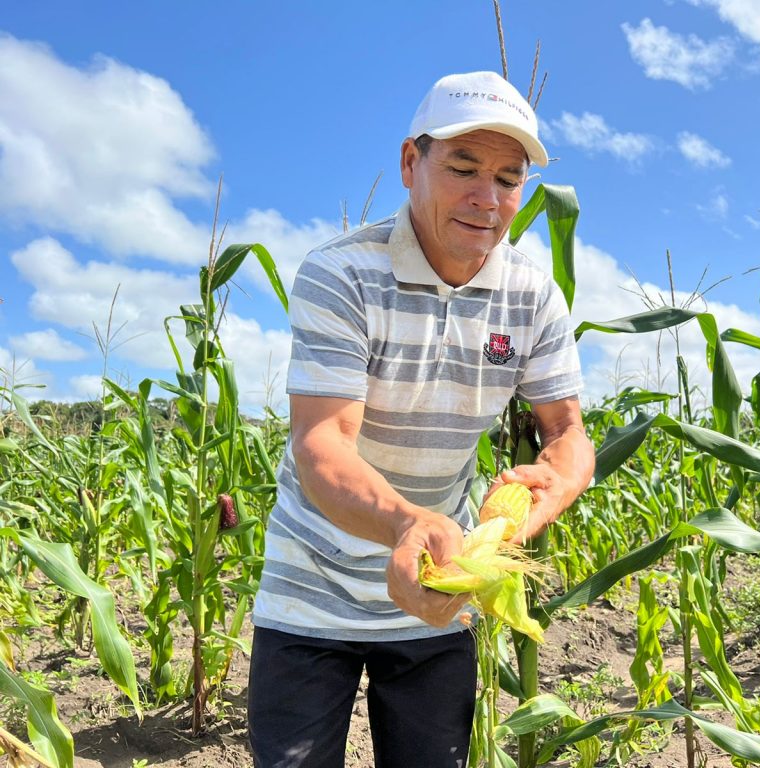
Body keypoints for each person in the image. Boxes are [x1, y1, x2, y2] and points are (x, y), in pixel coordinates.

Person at [247, 70, 595, 768]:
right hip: (312, 587)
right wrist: (406, 522)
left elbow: (568, 432)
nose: (487, 198)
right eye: (463, 168)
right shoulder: (341, 274)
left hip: (439, 583)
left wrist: (557, 485)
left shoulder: (531, 295)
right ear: (411, 164)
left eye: (507, 177)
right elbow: (322, 442)